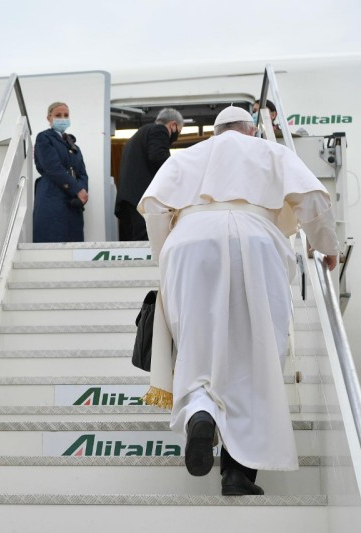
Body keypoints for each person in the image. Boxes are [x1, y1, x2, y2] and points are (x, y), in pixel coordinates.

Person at [138, 106, 339, 496]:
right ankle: (237, 473)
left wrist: (167, 255)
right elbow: (312, 199)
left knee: (199, 346)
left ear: (216, 131)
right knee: (256, 353)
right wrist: (325, 245)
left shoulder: (191, 155)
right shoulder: (268, 151)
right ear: (250, 131)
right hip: (255, 239)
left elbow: (155, 207)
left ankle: (200, 410)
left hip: (189, 244)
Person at [114, 108, 184, 241]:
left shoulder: (137, 136)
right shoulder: (159, 130)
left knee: (134, 247)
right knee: (146, 246)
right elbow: (159, 159)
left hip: (128, 202)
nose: (177, 134)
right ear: (173, 125)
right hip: (141, 202)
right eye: (179, 130)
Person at [33, 101, 89, 242]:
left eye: (66, 115)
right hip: (52, 198)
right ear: (49, 118)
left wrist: (82, 192)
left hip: (73, 202)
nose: (62, 118)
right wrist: (77, 189)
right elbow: (53, 168)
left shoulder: (73, 145)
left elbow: (82, 173)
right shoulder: (44, 138)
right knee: (53, 242)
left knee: (74, 246)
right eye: (58, 115)